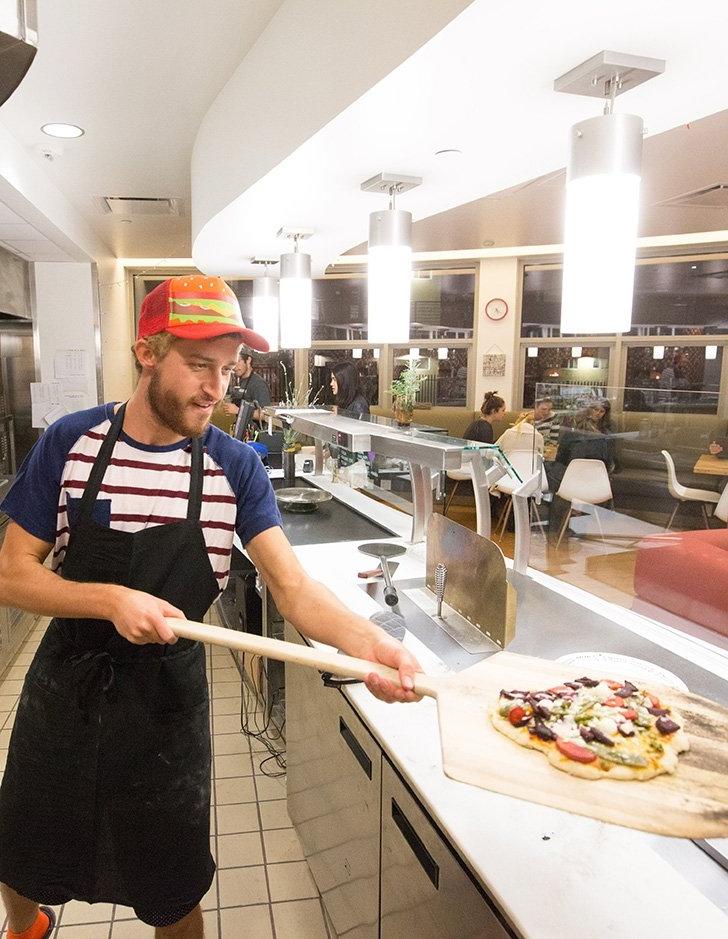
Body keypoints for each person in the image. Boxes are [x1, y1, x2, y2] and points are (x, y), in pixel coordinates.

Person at [0, 274, 419, 939]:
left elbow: (295, 589)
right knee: (22, 847)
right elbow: (11, 574)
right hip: (67, 685)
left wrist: (370, 644)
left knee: (173, 882)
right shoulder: (72, 444)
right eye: (199, 365)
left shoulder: (234, 468)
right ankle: (25, 928)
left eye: (227, 368)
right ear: (147, 350)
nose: (217, 387)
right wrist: (107, 598)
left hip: (166, 703)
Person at [222, 347, 272, 431]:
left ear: (248, 360)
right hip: (241, 432)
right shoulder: (240, 380)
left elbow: (265, 415)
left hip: (255, 436)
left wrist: (238, 410)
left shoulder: (258, 384)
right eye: (233, 363)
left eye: (238, 361)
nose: (235, 367)